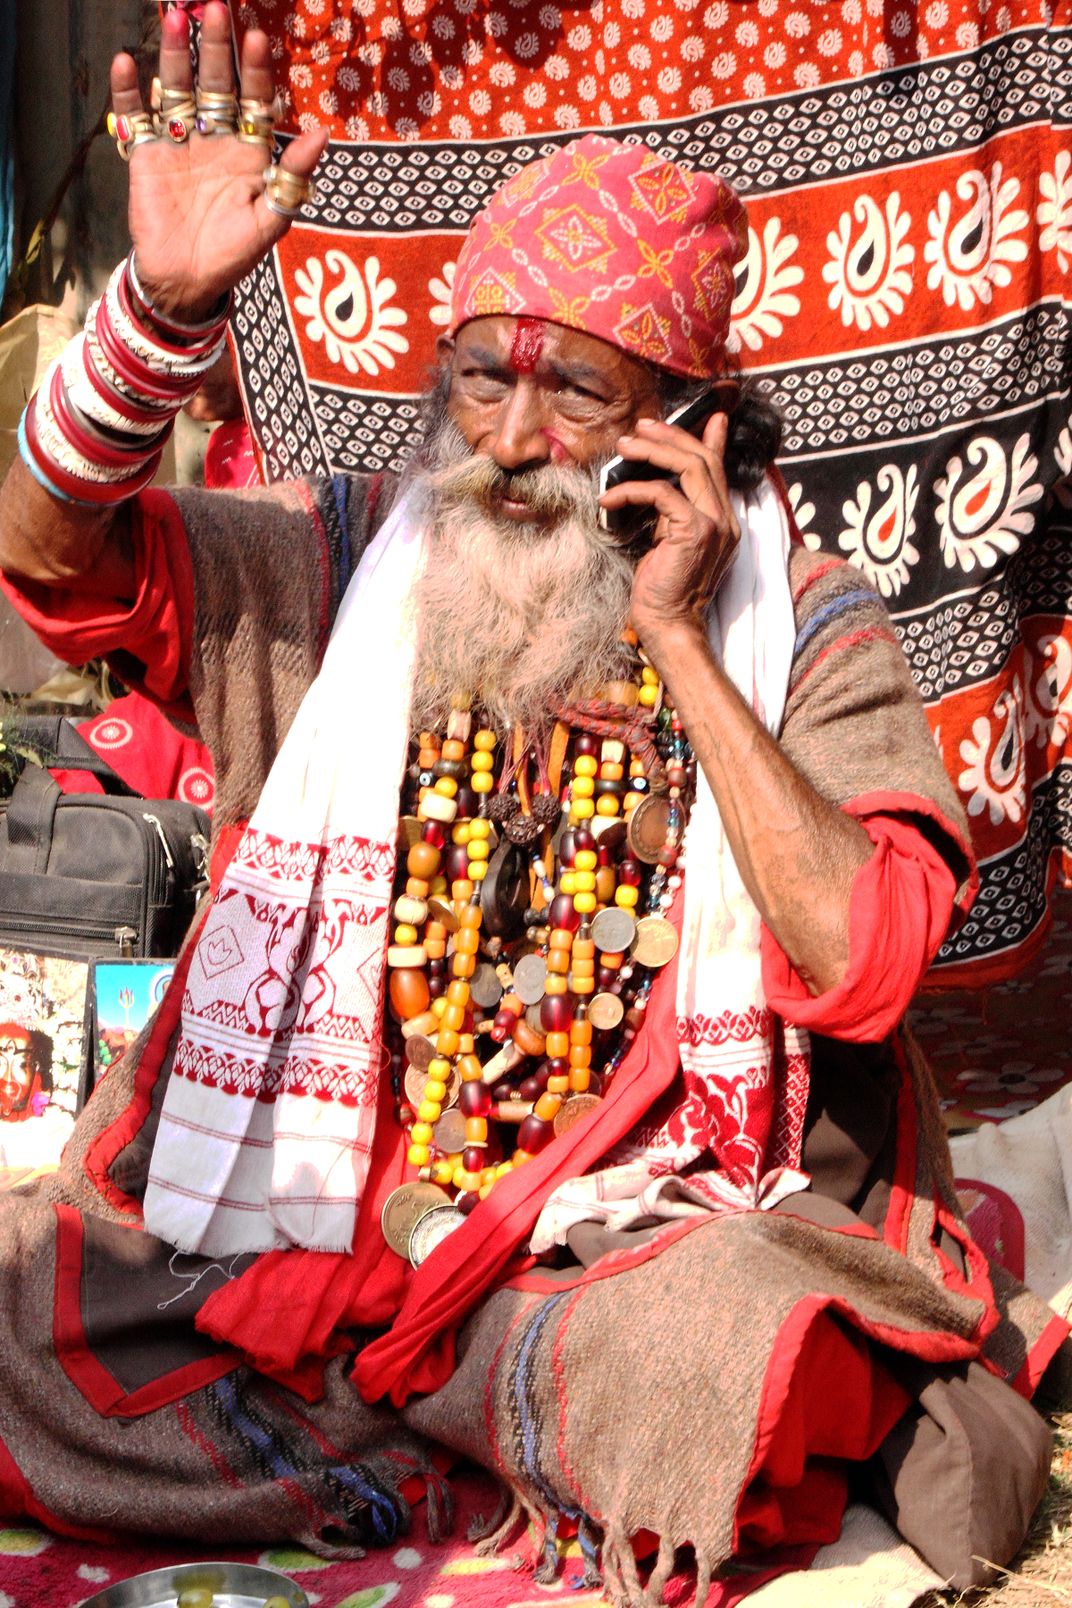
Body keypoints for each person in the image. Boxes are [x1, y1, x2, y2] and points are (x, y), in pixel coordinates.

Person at [0, 7, 1063, 1601]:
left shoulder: (810, 626)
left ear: (688, 420)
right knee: (34, 1303)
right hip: (341, 1194)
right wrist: (153, 313)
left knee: (709, 1347)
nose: (508, 442)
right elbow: (48, 560)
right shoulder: (356, 557)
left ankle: (421, 1402)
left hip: (638, 1227)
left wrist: (681, 649)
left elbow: (865, 964)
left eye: (572, 389)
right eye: (480, 382)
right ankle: (447, 1408)